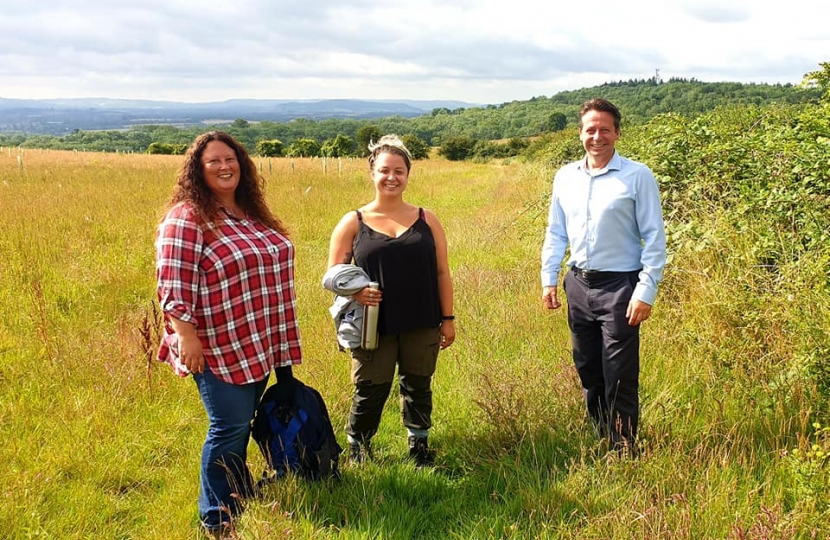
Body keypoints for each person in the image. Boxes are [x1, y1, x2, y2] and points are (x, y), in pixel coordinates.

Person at [155, 131, 302, 537]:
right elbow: (172, 283)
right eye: (213, 161)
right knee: (228, 426)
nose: (225, 167)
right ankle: (217, 517)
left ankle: (237, 493)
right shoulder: (187, 218)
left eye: (231, 159)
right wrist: (185, 335)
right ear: (197, 171)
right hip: (218, 344)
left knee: (241, 423)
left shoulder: (248, 211)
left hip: (256, 339)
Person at [541, 98, 666, 452]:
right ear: (580, 133)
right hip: (578, 284)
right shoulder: (565, 177)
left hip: (621, 286)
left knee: (620, 370)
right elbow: (555, 232)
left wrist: (646, 291)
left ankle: (624, 444)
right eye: (590, 129)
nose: (597, 136)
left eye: (605, 130)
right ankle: (599, 430)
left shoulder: (637, 176)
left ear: (618, 133)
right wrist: (549, 278)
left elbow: (655, 237)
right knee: (587, 366)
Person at [326, 134, 455, 467]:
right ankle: (359, 447)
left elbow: (442, 272)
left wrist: (448, 319)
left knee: (418, 385)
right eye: (385, 170)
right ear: (372, 173)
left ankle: (419, 445)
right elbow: (333, 277)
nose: (392, 177)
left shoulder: (428, 219)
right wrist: (356, 293)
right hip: (372, 325)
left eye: (399, 171)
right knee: (370, 388)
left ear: (408, 175)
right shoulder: (353, 221)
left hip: (422, 320)